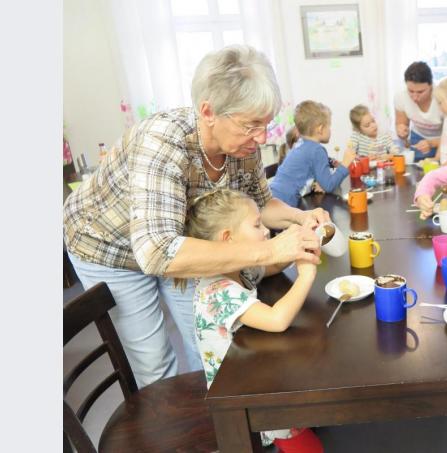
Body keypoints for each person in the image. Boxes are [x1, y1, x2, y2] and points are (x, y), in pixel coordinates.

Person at [63, 45, 327, 388]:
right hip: (109, 247)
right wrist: (270, 251)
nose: (261, 137)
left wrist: (299, 218)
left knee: (207, 341)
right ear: (209, 111)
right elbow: (157, 252)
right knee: (155, 362)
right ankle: (179, 433)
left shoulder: (241, 146)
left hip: (177, 240)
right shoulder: (163, 142)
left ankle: (221, 419)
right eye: (251, 125)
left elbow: (263, 204)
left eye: (266, 124)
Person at [185, 189, 323, 452]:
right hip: (240, 395)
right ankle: (282, 431)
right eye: (257, 224)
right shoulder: (217, 290)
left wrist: (295, 250)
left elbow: (268, 266)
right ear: (228, 238)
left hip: (250, 364)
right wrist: (306, 275)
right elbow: (277, 319)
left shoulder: (236, 266)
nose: (266, 232)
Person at [270, 100, 356, 207]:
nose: (330, 130)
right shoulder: (317, 150)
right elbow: (329, 186)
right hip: (286, 205)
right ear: (320, 129)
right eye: (329, 126)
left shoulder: (300, 144)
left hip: (273, 198)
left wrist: (332, 163)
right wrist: (345, 164)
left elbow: (307, 167)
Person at [394, 61, 444, 161]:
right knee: (417, 169)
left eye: (420, 92)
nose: (415, 97)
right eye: (411, 91)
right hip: (418, 137)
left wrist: (432, 143)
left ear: (431, 86)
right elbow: (401, 125)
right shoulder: (400, 97)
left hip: (444, 138)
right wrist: (401, 131)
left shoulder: (443, 96)